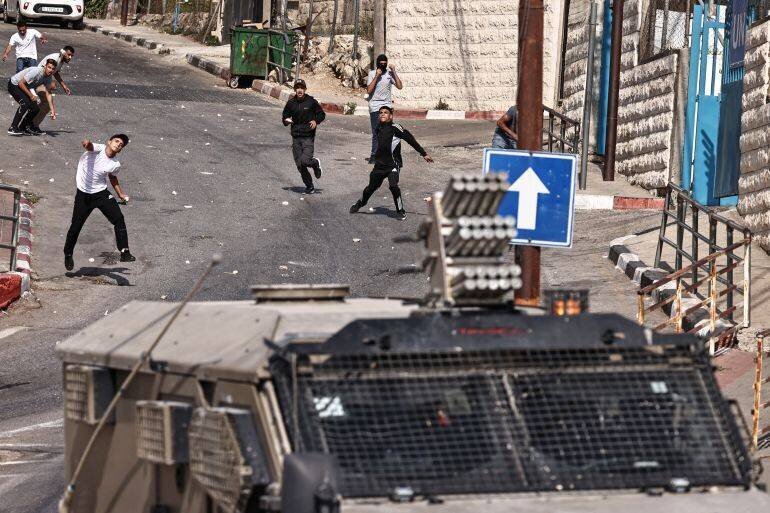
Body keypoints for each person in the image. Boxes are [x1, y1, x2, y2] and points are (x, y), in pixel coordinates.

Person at [63, 135, 135, 271]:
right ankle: (68, 253)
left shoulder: (115, 164)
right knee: (76, 226)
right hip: (83, 195)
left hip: (101, 193)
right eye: (117, 141)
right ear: (109, 142)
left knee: (119, 219)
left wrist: (120, 194)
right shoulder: (98, 149)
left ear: (120, 150)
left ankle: (124, 251)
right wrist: (87, 143)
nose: (118, 144)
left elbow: (113, 178)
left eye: (121, 145)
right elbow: (90, 146)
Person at [349, 106, 433, 220]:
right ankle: (361, 203)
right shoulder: (378, 127)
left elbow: (411, 140)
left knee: (393, 186)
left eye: (386, 112)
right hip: (379, 165)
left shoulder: (396, 128)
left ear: (391, 116)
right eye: (381, 113)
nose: (382, 114)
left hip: (393, 164)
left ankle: (400, 210)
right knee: (371, 188)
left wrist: (423, 154)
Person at [281, 79, 326, 194]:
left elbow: (321, 114)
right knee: (300, 165)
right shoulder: (291, 103)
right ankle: (309, 186)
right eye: (297, 88)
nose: (299, 90)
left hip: (308, 137)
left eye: (302, 88)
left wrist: (316, 121)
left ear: (305, 89)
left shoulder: (311, 102)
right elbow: (284, 116)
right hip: (296, 137)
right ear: (295, 90)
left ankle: (315, 163)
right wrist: (286, 121)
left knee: (305, 161)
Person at [366, 54, 403, 163]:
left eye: (384, 63)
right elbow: (368, 90)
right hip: (375, 107)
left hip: (387, 107)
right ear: (377, 63)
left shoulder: (390, 74)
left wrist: (394, 72)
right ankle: (374, 156)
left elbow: (400, 86)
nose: (383, 64)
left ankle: (387, 156)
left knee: (388, 132)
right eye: (381, 63)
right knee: (376, 132)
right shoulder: (372, 73)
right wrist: (377, 76)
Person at [6, 58, 56, 136]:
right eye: (49, 67)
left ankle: (23, 127)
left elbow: (48, 93)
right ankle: (13, 128)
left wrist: (52, 110)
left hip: (25, 87)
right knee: (25, 104)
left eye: (53, 69)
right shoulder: (37, 72)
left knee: (35, 109)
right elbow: (21, 83)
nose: (50, 70)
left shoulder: (49, 77)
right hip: (14, 84)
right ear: (45, 66)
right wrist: (31, 95)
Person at [31, 45, 75, 132]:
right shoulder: (55, 58)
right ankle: (32, 124)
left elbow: (56, 73)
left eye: (71, 56)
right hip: (37, 82)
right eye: (69, 55)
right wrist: (50, 84)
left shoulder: (60, 60)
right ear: (64, 52)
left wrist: (64, 86)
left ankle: (32, 124)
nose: (70, 57)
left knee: (45, 105)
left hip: (42, 83)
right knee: (45, 104)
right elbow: (43, 71)